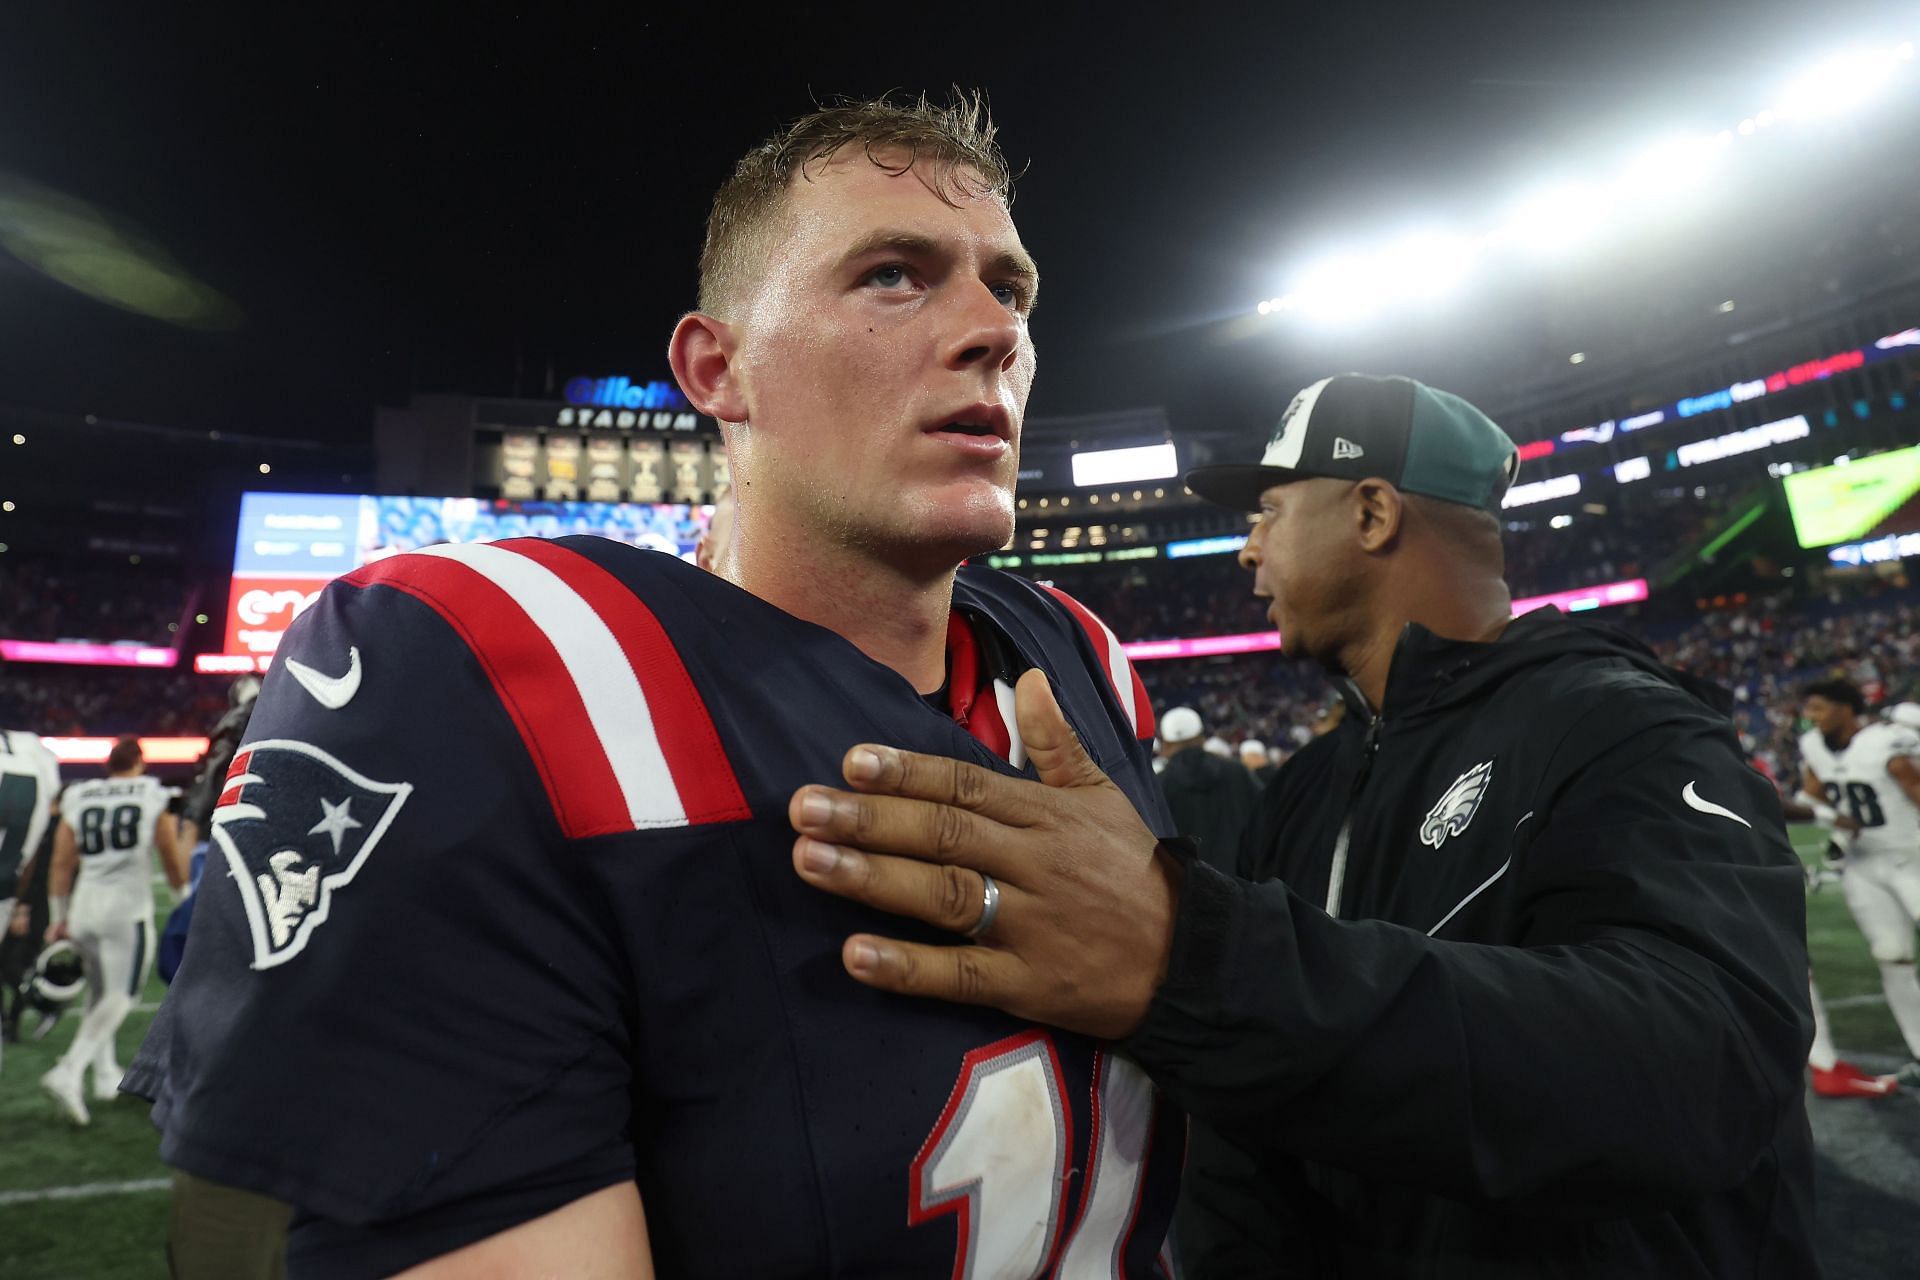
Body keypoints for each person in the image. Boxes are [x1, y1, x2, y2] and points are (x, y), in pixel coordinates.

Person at [125, 93, 1184, 1277]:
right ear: (716, 368)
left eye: (1013, 288)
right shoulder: (504, 668)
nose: (993, 329)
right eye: (894, 273)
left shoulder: (1077, 668)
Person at [788, 372, 1817, 1276]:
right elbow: (1250, 1148)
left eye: (1271, 510)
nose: (1245, 548)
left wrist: (1200, 957)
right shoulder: (1311, 782)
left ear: (1372, 512)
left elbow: (1707, 1064)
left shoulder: (1621, 724)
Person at [40, 734, 182, 1123]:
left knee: (99, 993)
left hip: (85, 906)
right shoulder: (150, 792)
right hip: (126, 909)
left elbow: (61, 861)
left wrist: (57, 916)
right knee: (122, 995)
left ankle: (104, 1075)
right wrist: (180, 892)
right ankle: (69, 1069)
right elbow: (168, 848)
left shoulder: (81, 794)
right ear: (139, 761)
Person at [1798, 677, 1920, 1083]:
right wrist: (1831, 821)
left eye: (1818, 708)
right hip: (1864, 864)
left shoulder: (1885, 743)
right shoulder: (1814, 746)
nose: (1810, 717)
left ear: (1845, 708)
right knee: (1891, 955)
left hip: (1911, 857)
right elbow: (1813, 793)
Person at [0, 726, 62, 1072]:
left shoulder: (54, 828)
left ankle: (38, 1007)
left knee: (14, 967)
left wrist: (24, 907)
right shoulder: (35, 758)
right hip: (12, 893)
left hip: (26, 901)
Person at [1156, 707, 1262, 875]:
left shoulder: (1159, 785)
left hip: (1187, 889)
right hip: (1241, 884)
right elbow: (1266, 818)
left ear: (1166, 745)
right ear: (1200, 738)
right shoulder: (1237, 772)